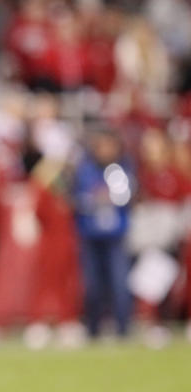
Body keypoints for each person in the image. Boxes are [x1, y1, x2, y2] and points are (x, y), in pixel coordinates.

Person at [72, 125, 133, 339]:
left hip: (115, 234)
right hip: (90, 234)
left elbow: (126, 197)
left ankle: (123, 328)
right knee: (92, 285)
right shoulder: (85, 169)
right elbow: (77, 199)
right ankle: (93, 328)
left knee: (119, 282)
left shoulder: (123, 168)